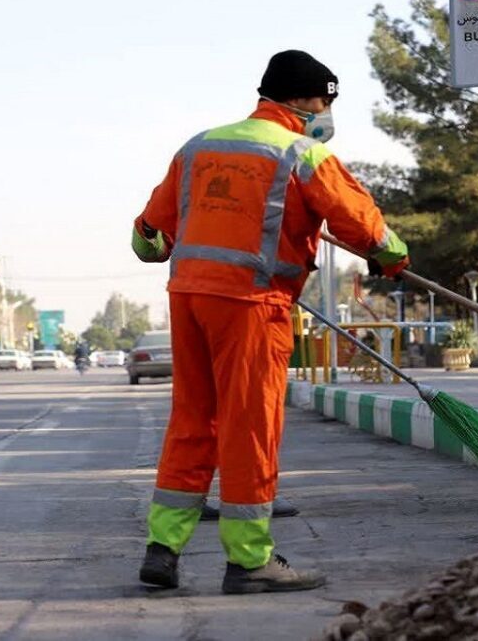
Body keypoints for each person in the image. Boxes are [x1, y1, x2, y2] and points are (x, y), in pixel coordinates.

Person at [131, 49, 409, 594]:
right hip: (252, 305)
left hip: (187, 299)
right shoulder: (301, 153)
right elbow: (363, 225)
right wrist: (392, 255)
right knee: (249, 428)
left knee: (193, 421)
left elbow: (147, 237)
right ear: (303, 99)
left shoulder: (198, 147)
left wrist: (167, 240)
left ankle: (163, 548)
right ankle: (250, 560)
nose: (327, 111)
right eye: (325, 100)